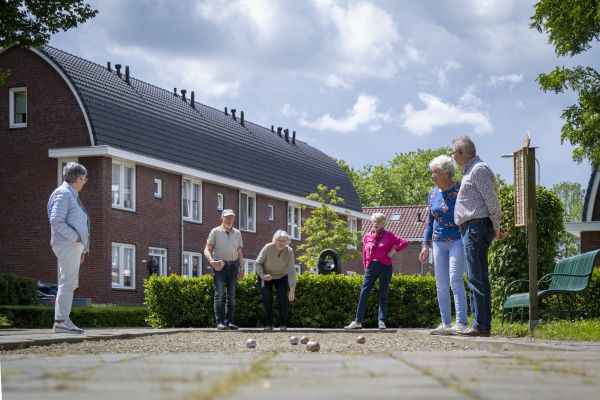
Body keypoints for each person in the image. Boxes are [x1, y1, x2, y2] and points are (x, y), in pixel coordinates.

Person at [450, 135, 507, 337]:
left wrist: (495, 225)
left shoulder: (478, 169)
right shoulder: (471, 171)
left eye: (453, 153)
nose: (452, 157)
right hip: (471, 228)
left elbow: (492, 200)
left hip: (476, 227)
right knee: (474, 276)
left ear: (461, 153)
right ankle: (479, 323)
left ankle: (482, 325)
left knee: (477, 276)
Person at [419, 155, 468, 335]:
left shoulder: (461, 190)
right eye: (432, 172)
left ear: (447, 173)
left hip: (458, 239)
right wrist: (426, 245)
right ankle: (445, 323)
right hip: (438, 242)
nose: (433, 176)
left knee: (455, 279)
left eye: (436, 172)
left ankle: (461, 322)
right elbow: (430, 222)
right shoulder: (432, 194)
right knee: (441, 284)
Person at [345, 212, 409, 330]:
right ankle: (358, 321)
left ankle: (381, 321)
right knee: (364, 293)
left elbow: (404, 242)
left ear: (383, 223)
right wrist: (366, 267)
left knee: (383, 294)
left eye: (379, 221)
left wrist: (393, 252)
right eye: (374, 221)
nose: (376, 224)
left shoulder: (389, 236)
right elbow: (365, 254)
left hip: (385, 266)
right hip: (371, 266)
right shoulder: (367, 236)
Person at [47, 162, 90, 334]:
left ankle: (63, 319)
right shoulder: (64, 194)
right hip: (67, 244)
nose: (85, 182)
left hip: (71, 246)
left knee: (70, 282)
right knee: (68, 282)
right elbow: (56, 220)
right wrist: (75, 239)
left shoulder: (70, 195)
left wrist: (82, 248)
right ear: (77, 178)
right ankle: (61, 321)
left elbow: (77, 222)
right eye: (84, 179)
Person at [204, 209, 244, 330]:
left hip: (233, 266)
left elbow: (240, 252)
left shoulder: (237, 233)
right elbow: (207, 249)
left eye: (231, 217)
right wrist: (212, 262)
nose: (229, 220)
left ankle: (229, 322)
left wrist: (241, 268)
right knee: (219, 295)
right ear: (222, 218)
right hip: (220, 265)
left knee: (231, 295)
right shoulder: (215, 231)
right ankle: (220, 322)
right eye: (227, 217)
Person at [256, 230, 297, 332]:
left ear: (287, 241)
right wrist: (262, 275)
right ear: (275, 240)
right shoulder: (268, 247)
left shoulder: (289, 251)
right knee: (267, 297)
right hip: (266, 276)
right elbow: (258, 263)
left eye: (284, 240)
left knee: (283, 297)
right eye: (279, 240)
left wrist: (292, 289)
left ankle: (283, 324)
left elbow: (292, 270)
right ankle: (268, 324)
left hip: (281, 276)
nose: (281, 242)